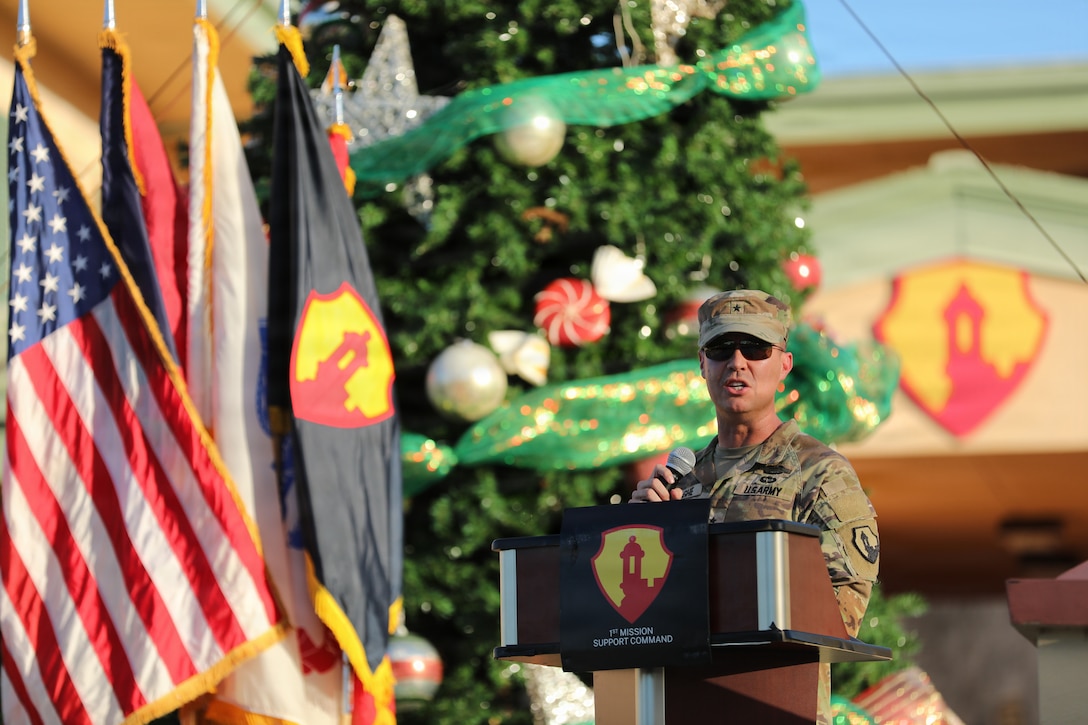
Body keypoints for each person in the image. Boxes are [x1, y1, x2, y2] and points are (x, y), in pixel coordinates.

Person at [630, 289, 879, 721]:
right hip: (684, 706)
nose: (737, 361)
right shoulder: (682, 483)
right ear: (702, 364)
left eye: (756, 348)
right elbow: (638, 613)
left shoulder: (820, 473)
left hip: (776, 704)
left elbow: (843, 617)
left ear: (784, 364)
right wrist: (641, 531)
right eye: (721, 347)